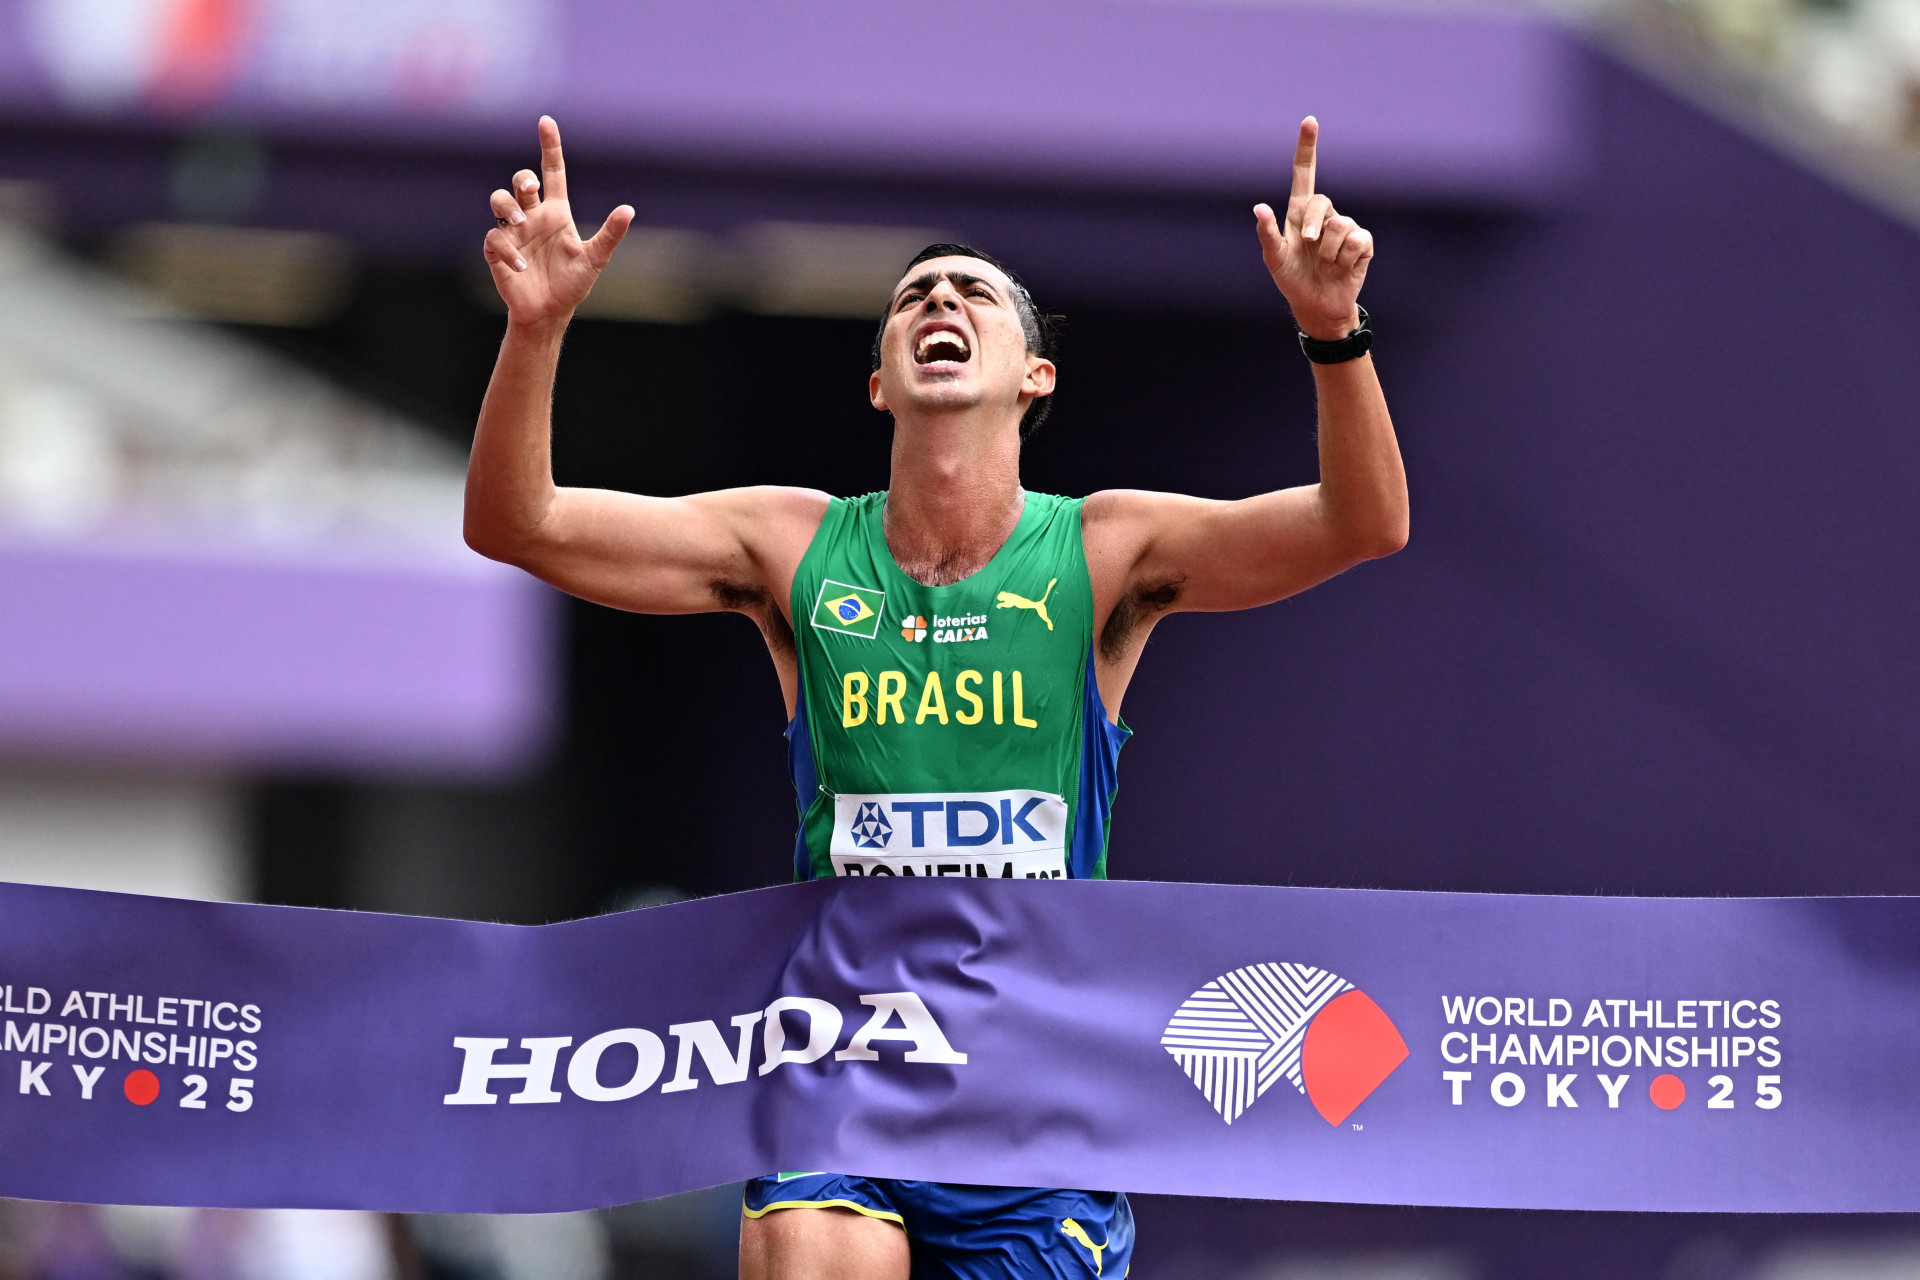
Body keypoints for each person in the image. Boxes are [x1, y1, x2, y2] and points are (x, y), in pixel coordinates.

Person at [464, 114, 1406, 1280]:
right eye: (913, 297)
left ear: (1033, 373)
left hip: (1036, 1084)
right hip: (848, 1052)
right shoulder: (793, 545)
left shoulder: (1105, 550)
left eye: (972, 293)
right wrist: (538, 329)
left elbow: (1363, 523)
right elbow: (519, 522)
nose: (940, 303)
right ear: (879, 382)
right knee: (808, 1247)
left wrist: (1332, 335)